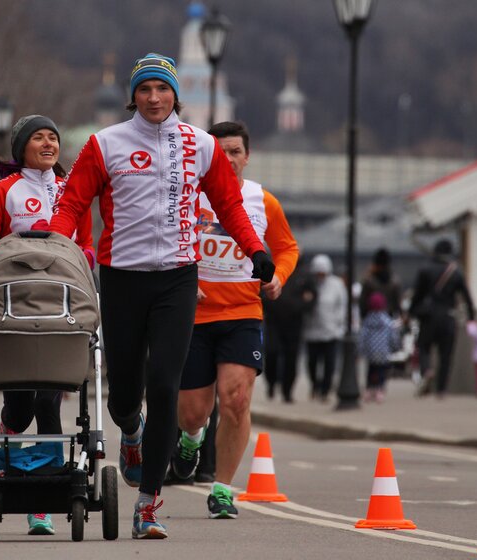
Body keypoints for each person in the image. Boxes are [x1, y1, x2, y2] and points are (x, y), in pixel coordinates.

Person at [48, 53, 274, 539]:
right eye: (146, 89)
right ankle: (130, 429)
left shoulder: (201, 145)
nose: (155, 98)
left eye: (163, 89)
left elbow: (229, 205)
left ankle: (148, 503)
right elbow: (72, 202)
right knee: (126, 392)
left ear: (176, 95)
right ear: (134, 95)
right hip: (122, 278)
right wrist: (54, 242)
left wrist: (255, 250)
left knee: (166, 384)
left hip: (177, 278)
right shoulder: (104, 144)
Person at [0, 114, 94, 536]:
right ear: (21, 147)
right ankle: (9, 440)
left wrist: (79, 260)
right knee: (19, 409)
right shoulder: (3, 192)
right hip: (14, 312)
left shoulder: (70, 191)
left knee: (47, 401)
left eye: (53, 137)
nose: (47, 143)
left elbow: (88, 246)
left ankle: (44, 499)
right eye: (37, 137)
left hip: (63, 313)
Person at [168, 121, 298, 519]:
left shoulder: (263, 201)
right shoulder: (188, 197)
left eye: (235, 152)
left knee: (236, 399)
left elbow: (286, 247)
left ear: (247, 156)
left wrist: (278, 277)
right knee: (193, 411)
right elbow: (163, 240)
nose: (228, 159)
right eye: (220, 151)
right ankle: (191, 438)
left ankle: (222, 489)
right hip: (195, 315)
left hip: (243, 313)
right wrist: (182, 279)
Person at [409, 239, 475, 398]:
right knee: (446, 354)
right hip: (448, 316)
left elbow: (418, 294)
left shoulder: (425, 269)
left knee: (424, 347)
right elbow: (467, 297)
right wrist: (472, 317)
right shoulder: (456, 271)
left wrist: (411, 311)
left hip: (428, 316)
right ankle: (441, 389)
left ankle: (427, 370)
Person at [263, 265, 317, 403]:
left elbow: (312, 296)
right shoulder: (271, 269)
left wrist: (299, 306)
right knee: (272, 353)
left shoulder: (303, 275)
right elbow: (261, 292)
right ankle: (271, 383)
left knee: (291, 358)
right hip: (274, 321)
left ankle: (287, 391)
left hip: (294, 322)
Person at [302, 254, 346, 401]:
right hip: (312, 331)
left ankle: (325, 390)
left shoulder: (337, 285)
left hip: (330, 331)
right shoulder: (309, 284)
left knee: (329, 364)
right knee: (312, 363)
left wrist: (339, 324)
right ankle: (315, 385)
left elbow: (342, 306)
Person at [358, 292, 401, 403]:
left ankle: (369, 389)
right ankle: (380, 390)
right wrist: (395, 347)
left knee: (371, 371)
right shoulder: (387, 321)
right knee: (382, 371)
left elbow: (362, 336)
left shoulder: (367, 321)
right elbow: (393, 335)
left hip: (370, 352)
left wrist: (360, 350)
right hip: (384, 351)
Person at [359, 248, 403, 318]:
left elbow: (362, 303)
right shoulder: (395, 281)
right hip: (389, 319)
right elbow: (398, 305)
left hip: (371, 320)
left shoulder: (369, 281)